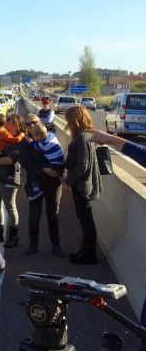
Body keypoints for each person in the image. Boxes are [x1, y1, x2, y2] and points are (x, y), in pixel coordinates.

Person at [0, 114, 64, 254]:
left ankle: (56, 245)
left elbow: (59, 157)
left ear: (40, 122)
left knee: (53, 214)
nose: (31, 126)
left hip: (52, 183)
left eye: (34, 123)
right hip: (35, 181)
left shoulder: (50, 138)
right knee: (34, 215)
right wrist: (44, 168)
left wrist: (55, 171)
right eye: (28, 124)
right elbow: (25, 163)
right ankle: (33, 244)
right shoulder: (24, 142)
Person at [64, 106, 102, 265]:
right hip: (86, 184)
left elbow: (83, 165)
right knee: (85, 220)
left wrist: (68, 181)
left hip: (82, 186)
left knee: (86, 220)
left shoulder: (81, 138)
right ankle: (85, 251)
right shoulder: (88, 135)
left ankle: (89, 254)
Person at [0, 114, 25, 244]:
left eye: (9, 121)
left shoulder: (20, 140)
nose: (6, 124)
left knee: (10, 206)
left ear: (15, 124)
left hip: (9, 177)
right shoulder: (1, 135)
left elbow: (11, 159)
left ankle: (13, 236)